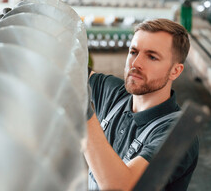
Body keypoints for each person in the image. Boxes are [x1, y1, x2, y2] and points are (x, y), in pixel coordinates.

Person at [85, 18, 199, 190]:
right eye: (133, 52)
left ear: (175, 71)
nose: (136, 63)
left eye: (152, 57)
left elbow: (121, 186)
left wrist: (82, 114)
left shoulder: (178, 136)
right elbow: (69, 70)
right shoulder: (115, 95)